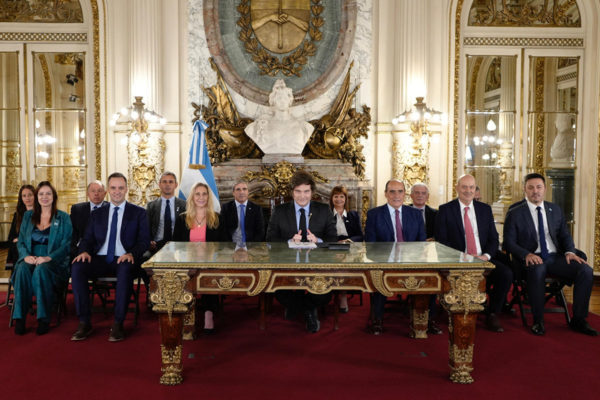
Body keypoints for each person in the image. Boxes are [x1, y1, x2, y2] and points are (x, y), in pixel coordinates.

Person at [503, 173, 596, 336]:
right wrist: (526, 254)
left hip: (554, 257)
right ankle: (538, 321)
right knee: (538, 269)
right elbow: (509, 243)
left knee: (586, 271)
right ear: (525, 189)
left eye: (539, 187)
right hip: (531, 258)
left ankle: (579, 320)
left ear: (545, 189)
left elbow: (565, 235)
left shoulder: (555, 210)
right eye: (531, 187)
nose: (535, 191)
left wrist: (570, 252)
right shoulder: (515, 212)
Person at [70, 172, 150, 342]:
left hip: (124, 258)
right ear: (108, 190)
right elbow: (87, 238)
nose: (117, 191)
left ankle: (118, 323)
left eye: (120, 188)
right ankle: (84, 322)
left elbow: (143, 242)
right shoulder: (97, 213)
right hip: (99, 258)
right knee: (78, 267)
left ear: (126, 189)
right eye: (113, 188)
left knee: (124, 268)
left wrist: (131, 254)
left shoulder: (138, 213)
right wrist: (83, 251)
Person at [435, 174, 513, 333]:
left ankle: (493, 313)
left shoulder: (485, 209)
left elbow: (493, 238)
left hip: (482, 258)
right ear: (457, 188)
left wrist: (486, 256)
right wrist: (460, 257)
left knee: (506, 274)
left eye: (471, 187)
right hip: (457, 261)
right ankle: (455, 310)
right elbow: (442, 241)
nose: (468, 190)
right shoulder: (445, 210)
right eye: (464, 187)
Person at [266, 170, 337, 333]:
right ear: (292, 192)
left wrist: (318, 240)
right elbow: (269, 240)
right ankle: (309, 310)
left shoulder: (324, 210)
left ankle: (299, 307)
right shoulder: (279, 211)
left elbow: (333, 239)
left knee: (325, 294)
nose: (302, 196)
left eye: (306, 191)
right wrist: (289, 242)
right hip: (287, 266)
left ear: (312, 192)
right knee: (279, 291)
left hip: (317, 267)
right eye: (298, 191)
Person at [364, 179, 426, 335]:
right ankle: (377, 319)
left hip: (412, 262)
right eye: (392, 191)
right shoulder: (374, 214)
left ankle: (424, 320)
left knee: (430, 280)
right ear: (386, 194)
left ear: (405, 194)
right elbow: (371, 245)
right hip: (385, 263)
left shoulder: (416, 214)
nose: (396, 195)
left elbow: (421, 244)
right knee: (377, 277)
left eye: (400, 191)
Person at [11, 181, 72, 335]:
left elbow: (67, 245)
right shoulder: (28, 216)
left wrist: (48, 258)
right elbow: (21, 241)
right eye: (41, 194)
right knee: (22, 269)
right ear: (37, 197)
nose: (44, 197)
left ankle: (43, 318)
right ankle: (20, 318)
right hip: (30, 258)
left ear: (54, 197)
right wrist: (25, 256)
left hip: (53, 262)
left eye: (48, 193)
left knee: (41, 270)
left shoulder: (63, 217)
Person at [173, 182, 227, 334]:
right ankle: (186, 314)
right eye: (197, 194)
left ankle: (209, 314)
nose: (201, 197)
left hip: (210, 262)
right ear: (192, 197)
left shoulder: (217, 218)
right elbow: (175, 245)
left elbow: (225, 244)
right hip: (187, 263)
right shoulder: (182, 219)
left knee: (209, 277)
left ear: (208, 197)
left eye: (204, 194)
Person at [244, 79, 314, 155]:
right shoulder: (260, 126)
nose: (282, 101)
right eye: (279, 98)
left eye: (285, 98)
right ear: (273, 101)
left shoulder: (304, 126)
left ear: (290, 101)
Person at [408, 182, 442, 334]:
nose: (420, 196)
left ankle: (430, 317)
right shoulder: (404, 212)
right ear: (411, 195)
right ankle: (414, 311)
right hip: (408, 255)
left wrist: (433, 239)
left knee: (433, 280)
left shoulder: (436, 213)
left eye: (423, 193)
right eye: (417, 193)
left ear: (427, 196)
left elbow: (440, 234)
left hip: (430, 255)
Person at [329, 185, 363, 313]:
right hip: (331, 247)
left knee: (344, 265)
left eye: (341, 196)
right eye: (336, 196)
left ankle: (343, 295)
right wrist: (335, 243)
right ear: (332, 198)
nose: (339, 199)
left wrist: (347, 241)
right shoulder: (326, 215)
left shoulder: (353, 215)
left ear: (346, 199)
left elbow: (360, 235)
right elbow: (323, 234)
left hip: (349, 248)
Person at [146, 172, 186, 252]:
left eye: (171, 182)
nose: (167, 185)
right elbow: (146, 228)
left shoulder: (184, 205)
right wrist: (149, 242)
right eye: (164, 182)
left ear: (176, 185)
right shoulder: (151, 206)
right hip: (156, 246)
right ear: (159, 184)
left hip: (177, 246)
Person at [70, 180, 107, 260]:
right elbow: (72, 234)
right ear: (87, 194)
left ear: (105, 193)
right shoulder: (77, 209)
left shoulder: (111, 209)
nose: (96, 194)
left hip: (104, 251)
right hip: (81, 251)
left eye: (99, 191)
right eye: (93, 191)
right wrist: (76, 252)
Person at [6, 184, 36, 266]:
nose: (27, 198)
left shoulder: (40, 214)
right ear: (21, 198)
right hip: (19, 245)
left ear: (35, 196)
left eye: (30, 195)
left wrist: (22, 239)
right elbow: (11, 237)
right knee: (15, 247)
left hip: (34, 244)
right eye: (24, 196)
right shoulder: (18, 215)